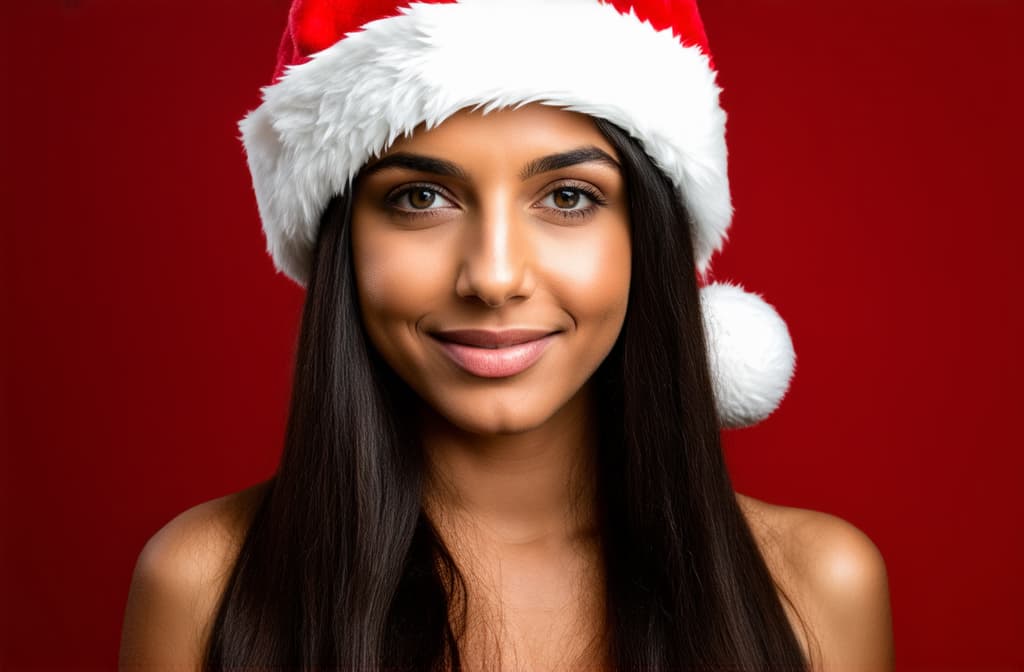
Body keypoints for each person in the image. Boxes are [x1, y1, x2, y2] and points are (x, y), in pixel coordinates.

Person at [119, 1, 894, 670]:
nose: (493, 277)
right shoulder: (204, 585)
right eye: (420, 197)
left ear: (647, 240)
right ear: (344, 242)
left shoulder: (814, 588)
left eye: (567, 196)